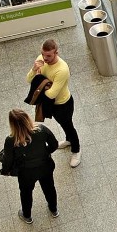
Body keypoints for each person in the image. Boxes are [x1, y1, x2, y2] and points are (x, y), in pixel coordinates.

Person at [26, 39, 81, 167]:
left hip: (63, 104)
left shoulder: (62, 69)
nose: (45, 58)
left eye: (49, 56)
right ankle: (68, 140)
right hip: (51, 104)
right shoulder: (41, 59)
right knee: (63, 124)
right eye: (43, 54)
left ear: (56, 53)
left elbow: (52, 94)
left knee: (68, 126)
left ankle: (76, 150)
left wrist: (40, 82)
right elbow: (29, 79)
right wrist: (34, 70)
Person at [1, 109, 60, 224]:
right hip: (45, 167)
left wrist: (5, 170)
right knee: (49, 188)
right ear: (27, 118)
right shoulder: (41, 129)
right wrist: (45, 153)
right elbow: (54, 144)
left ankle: (27, 215)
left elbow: (8, 159)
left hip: (26, 173)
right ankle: (54, 210)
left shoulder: (11, 140)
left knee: (26, 193)